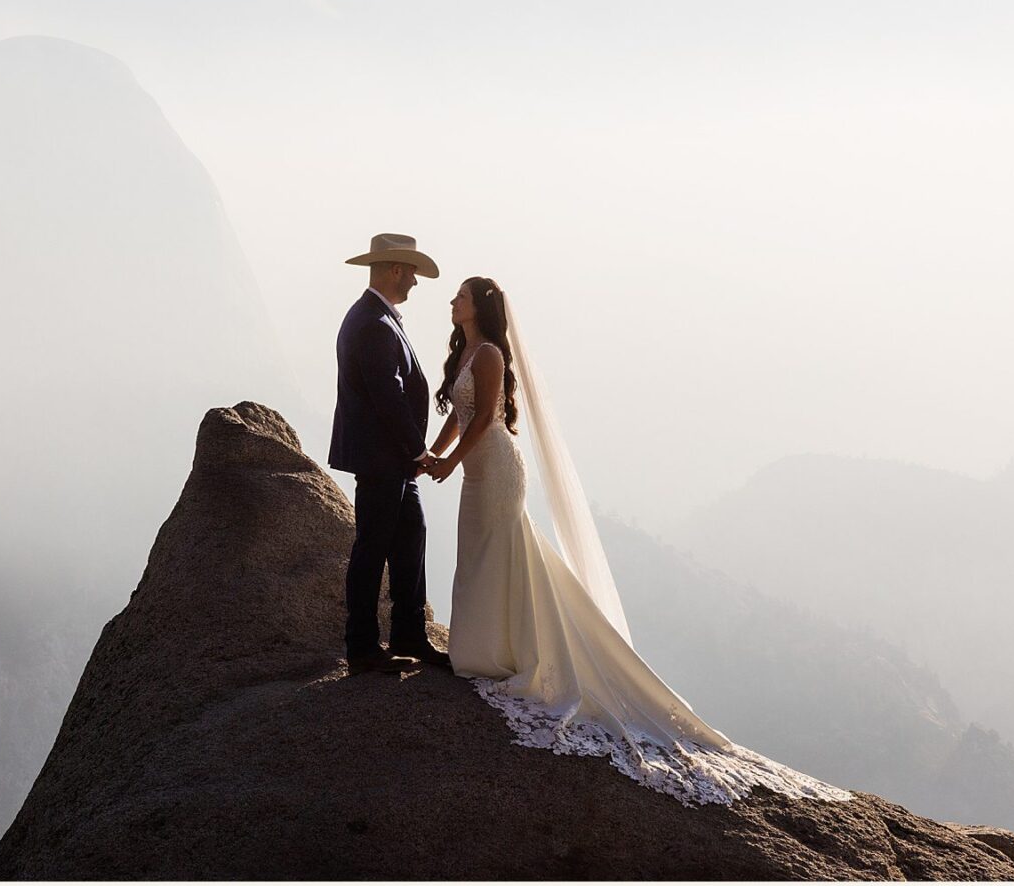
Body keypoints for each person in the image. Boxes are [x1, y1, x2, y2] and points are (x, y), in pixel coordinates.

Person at [423, 276, 854, 805]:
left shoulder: (488, 353)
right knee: (482, 557)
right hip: (476, 470)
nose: (452, 302)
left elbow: (487, 417)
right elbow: (459, 415)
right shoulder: (465, 351)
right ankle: (485, 649)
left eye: (459, 297)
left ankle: (503, 654)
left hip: (497, 468)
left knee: (499, 554)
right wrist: (434, 452)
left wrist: (447, 463)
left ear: (479, 308)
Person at [328, 234, 454, 674]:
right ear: (396, 269)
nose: (416, 283)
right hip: (384, 460)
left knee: (410, 536)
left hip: (392, 461)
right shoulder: (373, 324)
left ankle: (408, 634)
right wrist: (420, 452)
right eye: (413, 273)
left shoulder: (375, 318)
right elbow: (389, 398)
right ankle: (362, 646)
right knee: (373, 547)